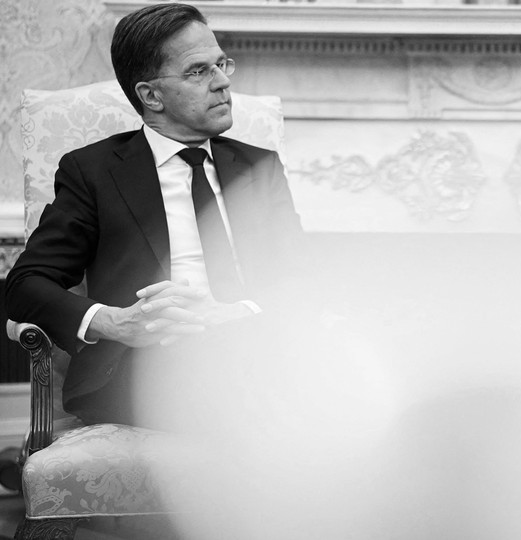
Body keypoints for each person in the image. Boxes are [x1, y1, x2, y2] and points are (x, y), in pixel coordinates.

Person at [5, 3, 305, 428]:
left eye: (222, 64)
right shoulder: (94, 172)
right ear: (150, 95)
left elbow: (301, 278)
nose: (223, 83)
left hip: (257, 354)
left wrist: (236, 313)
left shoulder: (259, 167)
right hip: (148, 369)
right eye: (198, 71)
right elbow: (25, 285)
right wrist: (116, 322)